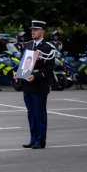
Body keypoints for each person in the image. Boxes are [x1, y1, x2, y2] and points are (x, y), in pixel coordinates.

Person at [20, 20, 55, 150]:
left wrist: (36, 76)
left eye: (36, 30)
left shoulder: (48, 47)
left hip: (39, 86)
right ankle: (33, 138)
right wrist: (18, 73)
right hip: (27, 85)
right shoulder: (28, 44)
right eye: (32, 30)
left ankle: (40, 141)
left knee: (39, 113)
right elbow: (24, 63)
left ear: (42, 31)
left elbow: (49, 69)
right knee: (31, 113)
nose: (33, 32)